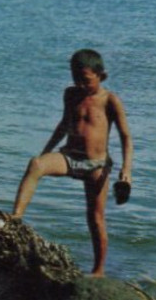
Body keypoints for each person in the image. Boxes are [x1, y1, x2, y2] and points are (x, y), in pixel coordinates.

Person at [9, 49, 135, 276]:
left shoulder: (110, 100)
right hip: (69, 157)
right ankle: (16, 217)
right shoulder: (70, 94)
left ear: (101, 76)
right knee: (35, 165)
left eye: (85, 80)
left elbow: (126, 137)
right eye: (75, 78)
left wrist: (126, 172)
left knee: (95, 218)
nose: (80, 84)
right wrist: (45, 152)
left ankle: (98, 270)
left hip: (96, 165)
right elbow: (64, 124)